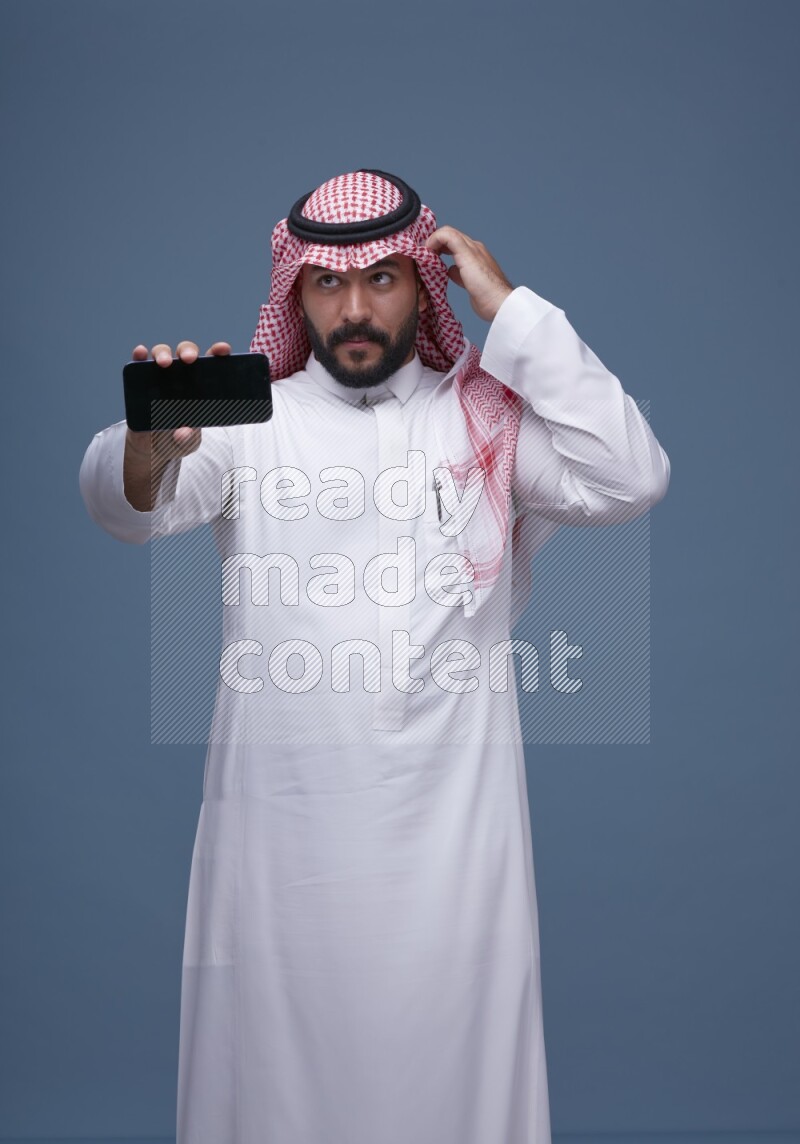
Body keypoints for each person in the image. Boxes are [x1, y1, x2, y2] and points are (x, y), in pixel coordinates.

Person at [80, 169, 670, 1144]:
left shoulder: (482, 415)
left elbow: (630, 471)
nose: (354, 309)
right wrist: (152, 443)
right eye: (326, 285)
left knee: (451, 1084)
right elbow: (123, 505)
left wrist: (512, 307)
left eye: (383, 280)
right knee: (274, 1086)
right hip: (281, 846)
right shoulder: (247, 421)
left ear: (425, 282)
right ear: (294, 293)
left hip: (451, 847)